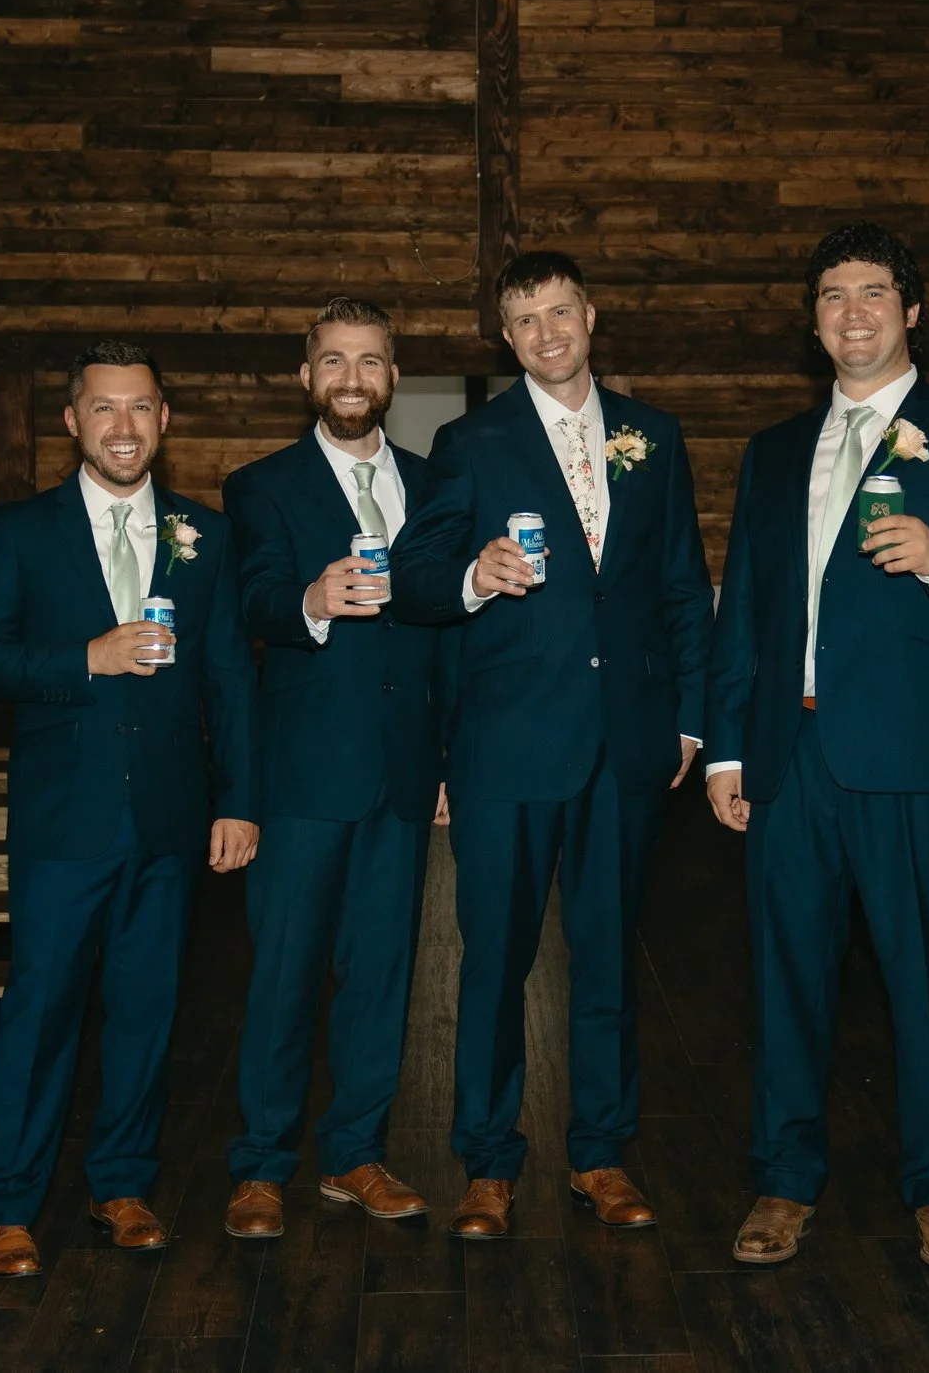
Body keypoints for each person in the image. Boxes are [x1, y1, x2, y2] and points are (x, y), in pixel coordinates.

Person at [705, 222, 929, 1271]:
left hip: (914, 754)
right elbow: (745, 616)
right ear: (812, 321)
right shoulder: (771, 452)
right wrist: (725, 749)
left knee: (928, 976)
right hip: (789, 753)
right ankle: (783, 1176)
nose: (852, 312)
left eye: (872, 293)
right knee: (787, 977)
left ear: (911, 309)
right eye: (832, 296)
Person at [389, 251, 713, 1240]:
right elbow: (416, 571)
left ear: (590, 314)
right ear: (505, 334)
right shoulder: (469, 440)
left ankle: (602, 1154)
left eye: (557, 312)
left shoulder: (653, 436)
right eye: (522, 320)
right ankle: (488, 1160)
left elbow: (680, 586)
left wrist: (690, 717)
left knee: (612, 958)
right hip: (508, 742)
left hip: (626, 744)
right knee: (494, 957)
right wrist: (475, 574)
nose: (544, 333)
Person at [0, 339, 256, 1277]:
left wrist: (237, 798)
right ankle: (8, 1202)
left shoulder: (204, 536)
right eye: (104, 409)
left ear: (164, 420)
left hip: (171, 820)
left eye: (140, 409)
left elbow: (230, 679)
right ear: (72, 421)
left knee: (147, 1011)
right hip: (64, 819)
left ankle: (123, 1184)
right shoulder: (17, 532)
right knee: (41, 1010)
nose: (123, 427)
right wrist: (79, 659)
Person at [218, 298, 447, 1239]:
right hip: (304, 775)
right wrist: (311, 598)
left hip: (401, 775)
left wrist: (445, 761)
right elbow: (255, 597)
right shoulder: (260, 486)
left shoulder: (439, 485)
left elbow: (449, 636)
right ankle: (262, 1165)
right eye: (335, 361)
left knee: (384, 974)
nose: (353, 377)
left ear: (394, 377)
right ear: (306, 376)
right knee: (283, 974)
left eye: (371, 361)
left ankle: (355, 1151)